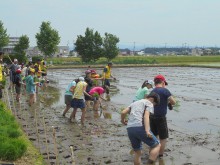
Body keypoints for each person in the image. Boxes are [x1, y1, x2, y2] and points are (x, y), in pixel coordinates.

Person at [121, 92, 161, 165]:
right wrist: (147, 131)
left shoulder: (134, 103)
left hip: (130, 128)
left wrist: (122, 121)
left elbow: (123, 112)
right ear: (152, 99)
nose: (153, 106)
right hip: (140, 127)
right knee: (157, 145)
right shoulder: (149, 103)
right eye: (154, 104)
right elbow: (146, 116)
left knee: (138, 152)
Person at [150, 74, 176, 159]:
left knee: (154, 135)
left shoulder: (152, 91)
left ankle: (152, 152)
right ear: (163, 82)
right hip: (161, 117)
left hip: (151, 116)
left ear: (154, 83)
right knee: (163, 137)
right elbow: (173, 102)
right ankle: (160, 155)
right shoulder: (165, 91)